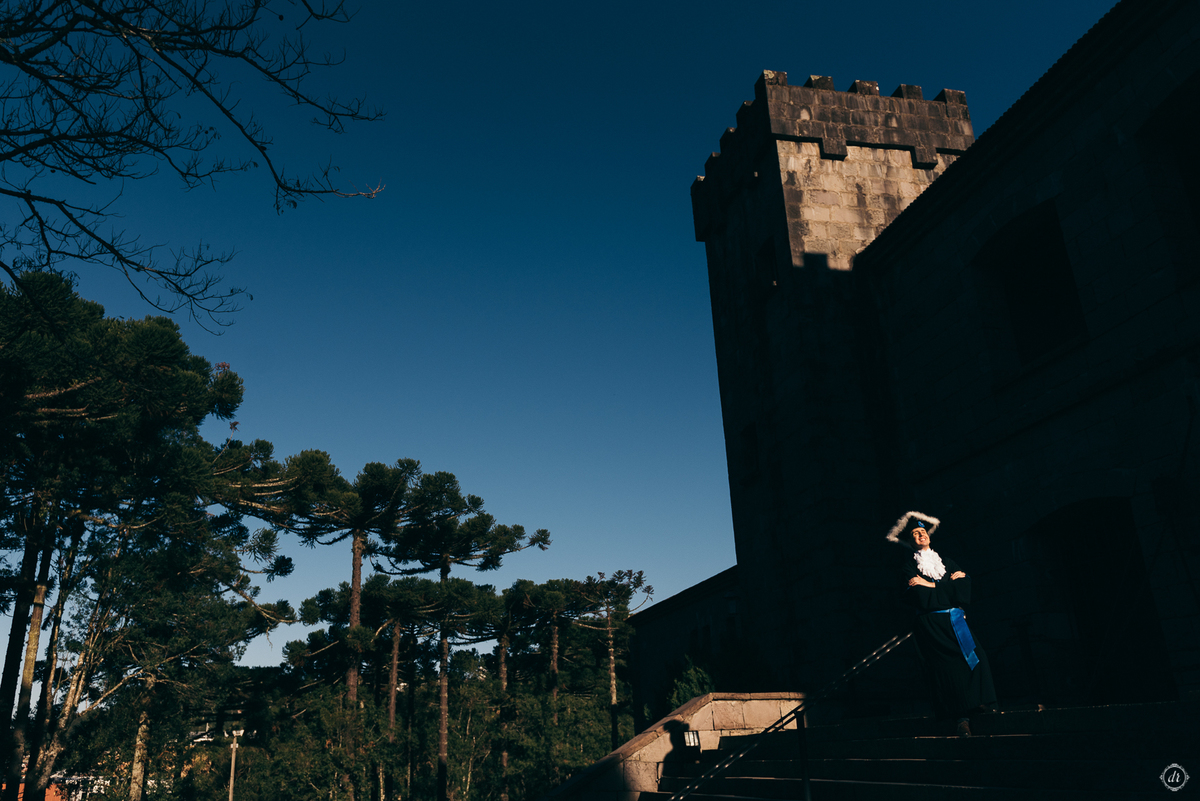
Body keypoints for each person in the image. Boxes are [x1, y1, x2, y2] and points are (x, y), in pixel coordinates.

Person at [886, 511, 996, 736]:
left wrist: (932, 586)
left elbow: (963, 590)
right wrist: (944, 588)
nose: (920, 535)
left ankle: (979, 703)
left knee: (976, 659)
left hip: (955, 619)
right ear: (910, 541)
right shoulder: (908, 568)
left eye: (923, 532)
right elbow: (919, 597)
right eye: (915, 533)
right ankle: (961, 718)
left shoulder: (946, 562)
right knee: (948, 669)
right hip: (932, 625)